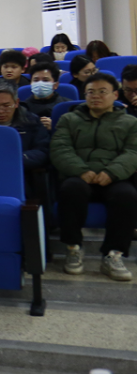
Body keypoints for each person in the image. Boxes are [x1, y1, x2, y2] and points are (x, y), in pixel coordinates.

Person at [50, 73, 136, 281]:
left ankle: (113, 254)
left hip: (115, 177)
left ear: (115, 95)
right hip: (80, 176)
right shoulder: (69, 119)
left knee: (127, 195)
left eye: (102, 92)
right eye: (90, 92)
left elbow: (133, 152)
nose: (95, 96)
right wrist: (81, 170)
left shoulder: (130, 122)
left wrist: (112, 172)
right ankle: (73, 248)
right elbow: (60, 148)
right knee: (70, 189)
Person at [24, 62, 71, 129]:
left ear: (55, 85)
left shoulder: (67, 106)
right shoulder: (23, 108)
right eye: (36, 80)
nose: (40, 84)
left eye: (45, 80)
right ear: (31, 83)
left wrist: (55, 127)